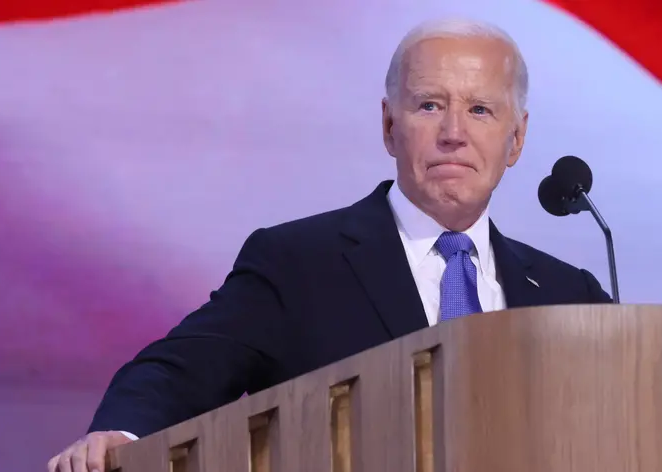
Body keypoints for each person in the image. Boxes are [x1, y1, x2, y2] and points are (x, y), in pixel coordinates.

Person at [47, 17, 611, 472]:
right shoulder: (297, 263)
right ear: (389, 125)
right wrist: (118, 436)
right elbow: (180, 368)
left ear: (516, 139)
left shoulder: (570, 295)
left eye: (480, 109)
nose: (453, 132)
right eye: (430, 105)